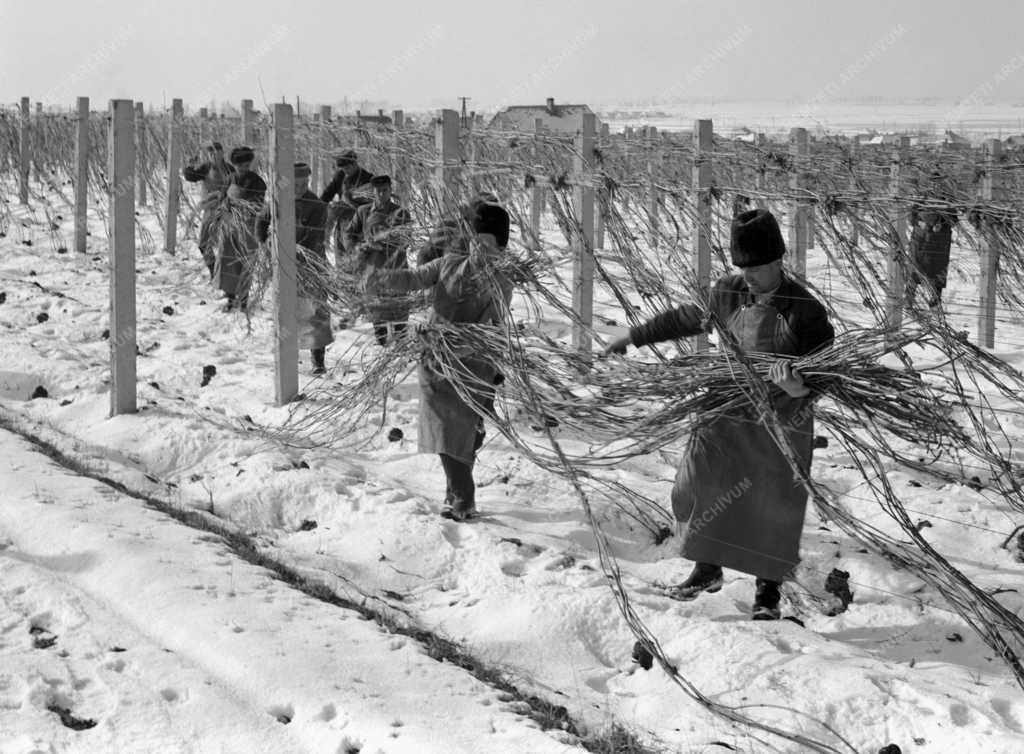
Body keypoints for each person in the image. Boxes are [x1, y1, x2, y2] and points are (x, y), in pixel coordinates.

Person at [605, 209, 835, 620]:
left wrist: (795, 386)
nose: (748, 276)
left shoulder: (805, 311)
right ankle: (707, 568)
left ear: (778, 260)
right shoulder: (728, 293)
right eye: (742, 267)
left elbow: (821, 379)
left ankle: (768, 593)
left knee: (772, 501)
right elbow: (686, 318)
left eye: (757, 267)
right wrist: (633, 335)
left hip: (780, 416)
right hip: (725, 404)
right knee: (697, 480)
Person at [366, 203, 514, 521]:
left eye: (487, 243)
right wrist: (381, 277)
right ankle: (459, 495)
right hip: (455, 363)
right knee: (455, 429)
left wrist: (496, 365)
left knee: (459, 431)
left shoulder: (487, 276)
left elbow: (495, 326)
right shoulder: (465, 268)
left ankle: (459, 494)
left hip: (460, 363)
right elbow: (413, 278)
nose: (482, 250)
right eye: (480, 242)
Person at [256, 162, 333, 375]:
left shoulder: (316, 206)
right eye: (296, 184)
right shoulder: (278, 201)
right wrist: (265, 243)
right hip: (285, 266)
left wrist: (291, 252)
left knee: (316, 312)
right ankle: (288, 354)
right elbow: (262, 220)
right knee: (287, 310)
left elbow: (313, 238)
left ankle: (318, 360)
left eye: (304, 183)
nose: (300, 188)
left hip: (311, 266)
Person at [347, 175, 412, 346]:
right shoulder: (363, 212)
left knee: (398, 304)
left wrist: (384, 243)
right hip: (372, 268)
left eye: (385, 190)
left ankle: (401, 342)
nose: (382, 194)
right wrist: (357, 248)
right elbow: (349, 234)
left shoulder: (401, 213)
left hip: (395, 266)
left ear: (391, 190)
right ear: (372, 192)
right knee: (377, 305)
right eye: (378, 191)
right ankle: (381, 341)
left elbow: (406, 241)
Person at [216, 146, 267, 312]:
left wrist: (243, 210)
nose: (242, 168)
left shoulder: (257, 182)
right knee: (228, 260)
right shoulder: (230, 178)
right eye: (239, 165)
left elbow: (257, 205)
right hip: (229, 225)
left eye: (246, 165)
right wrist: (224, 209)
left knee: (246, 262)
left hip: (248, 226)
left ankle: (244, 299)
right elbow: (222, 198)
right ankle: (230, 297)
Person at [183, 141, 235, 278]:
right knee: (204, 244)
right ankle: (214, 271)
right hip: (210, 210)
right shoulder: (206, 168)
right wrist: (189, 166)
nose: (213, 155)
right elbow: (191, 176)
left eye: (215, 152)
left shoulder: (230, 169)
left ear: (222, 153)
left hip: (226, 211)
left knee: (227, 244)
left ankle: (225, 276)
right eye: (210, 152)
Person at [906, 176, 957, 308]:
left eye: (939, 183)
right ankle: (908, 300)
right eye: (933, 183)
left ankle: (935, 302)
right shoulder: (921, 198)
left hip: (939, 244)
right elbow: (911, 218)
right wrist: (920, 223)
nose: (936, 186)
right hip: (920, 242)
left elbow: (953, 221)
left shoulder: (948, 201)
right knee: (915, 270)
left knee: (938, 272)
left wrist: (943, 225)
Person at [320, 149, 374, 264]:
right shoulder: (340, 176)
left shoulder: (368, 178)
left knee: (356, 257)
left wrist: (350, 199)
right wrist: (319, 206)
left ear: (355, 163)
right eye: (343, 169)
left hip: (360, 224)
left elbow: (371, 203)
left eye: (347, 168)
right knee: (340, 257)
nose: (346, 172)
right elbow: (328, 193)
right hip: (342, 222)